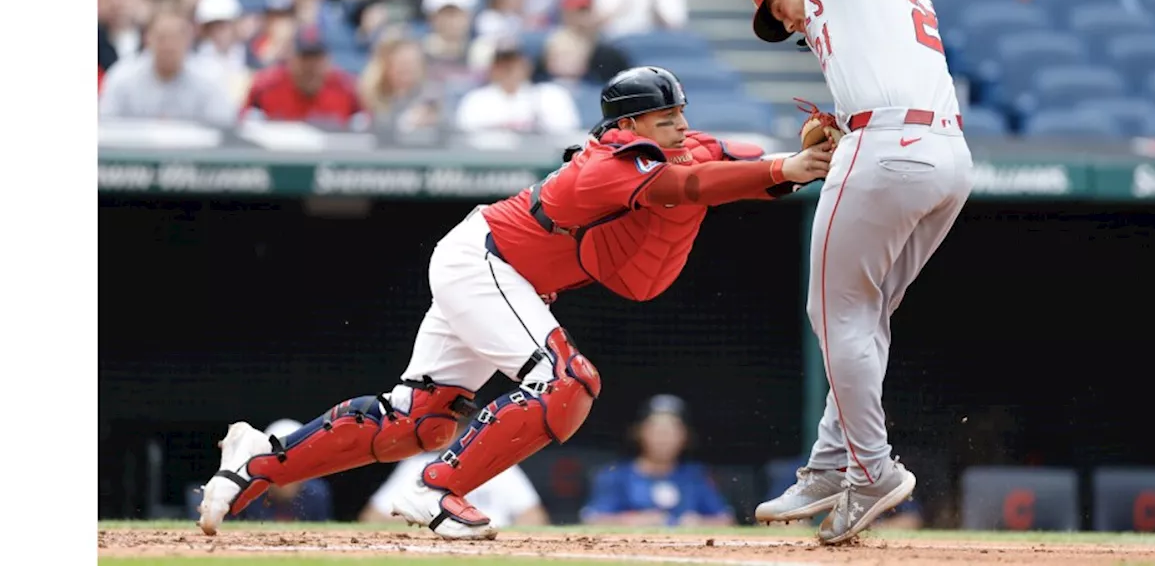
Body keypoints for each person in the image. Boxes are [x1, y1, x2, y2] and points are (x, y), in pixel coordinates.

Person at [195, 66, 832, 541]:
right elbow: (689, 182)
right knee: (568, 380)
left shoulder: (666, 145)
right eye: (666, 119)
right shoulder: (605, 165)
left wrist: (798, 155)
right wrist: (785, 170)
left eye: (680, 113)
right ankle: (438, 489)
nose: (681, 126)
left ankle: (254, 463)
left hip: (496, 270)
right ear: (628, 125)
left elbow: (725, 157)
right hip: (487, 260)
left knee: (417, 421)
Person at [707, 0, 975, 546]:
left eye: (778, 5)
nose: (786, 22)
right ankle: (834, 463)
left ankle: (871, 467)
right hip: (946, 155)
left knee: (832, 312)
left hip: (886, 148)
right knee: (865, 315)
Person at [581, 395, 735, 527]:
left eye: (671, 431)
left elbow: (725, 519)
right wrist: (634, 521)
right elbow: (592, 518)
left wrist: (697, 522)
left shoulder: (696, 476)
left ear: (685, 436)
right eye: (657, 430)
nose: (663, 438)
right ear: (640, 433)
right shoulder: (615, 475)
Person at [99, 6, 236, 125]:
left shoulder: (211, 78)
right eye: (162, 37)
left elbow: (224, 130)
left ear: (190, 38)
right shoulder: (122, 77)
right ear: (147, 38)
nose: (169, 46)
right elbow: (105, 127)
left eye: (176, 37)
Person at [360, 451, 548, 526]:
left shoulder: (497, 465)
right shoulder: (418, 465)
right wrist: (429, 526)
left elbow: (534, 517)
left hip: (488, 545)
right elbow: (372, 517)